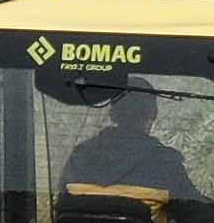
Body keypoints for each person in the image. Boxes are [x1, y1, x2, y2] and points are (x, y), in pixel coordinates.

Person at [61, 85, 203, 203]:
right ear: (153, 114)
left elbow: (62, 204)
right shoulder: (165, 163)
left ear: (112, 114)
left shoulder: (80, 157)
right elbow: (197, 213)